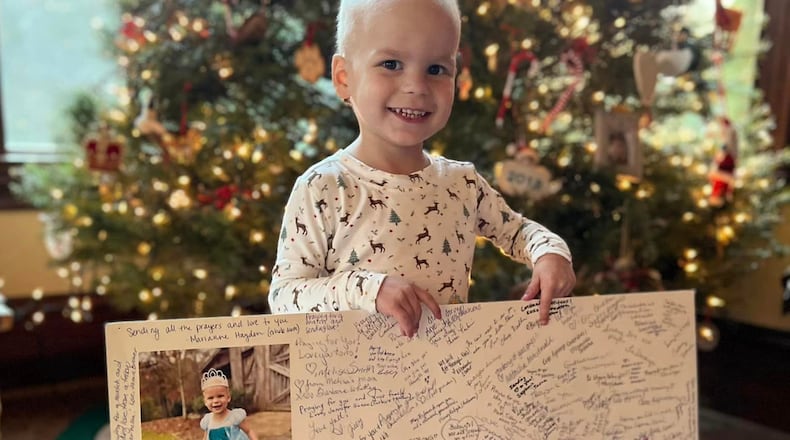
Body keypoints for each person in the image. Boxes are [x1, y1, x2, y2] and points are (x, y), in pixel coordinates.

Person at [269, 0, 575, 336]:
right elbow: (285, 296)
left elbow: (520, 232)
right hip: (352, 384)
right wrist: (367, 290)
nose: (416, 86)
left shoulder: (462, 184)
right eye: (391, 64)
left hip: (445, 380)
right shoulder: (322, 187)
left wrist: (551, 253)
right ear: (344, 78)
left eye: (436, 69)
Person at [199, 369, 258, 440]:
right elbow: (205, 438)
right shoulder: (208, 420)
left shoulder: (234, 417)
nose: (216, 401)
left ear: (228, 397)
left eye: (220, 396)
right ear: (205, 402)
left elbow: (249, 431)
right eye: (210, 398)